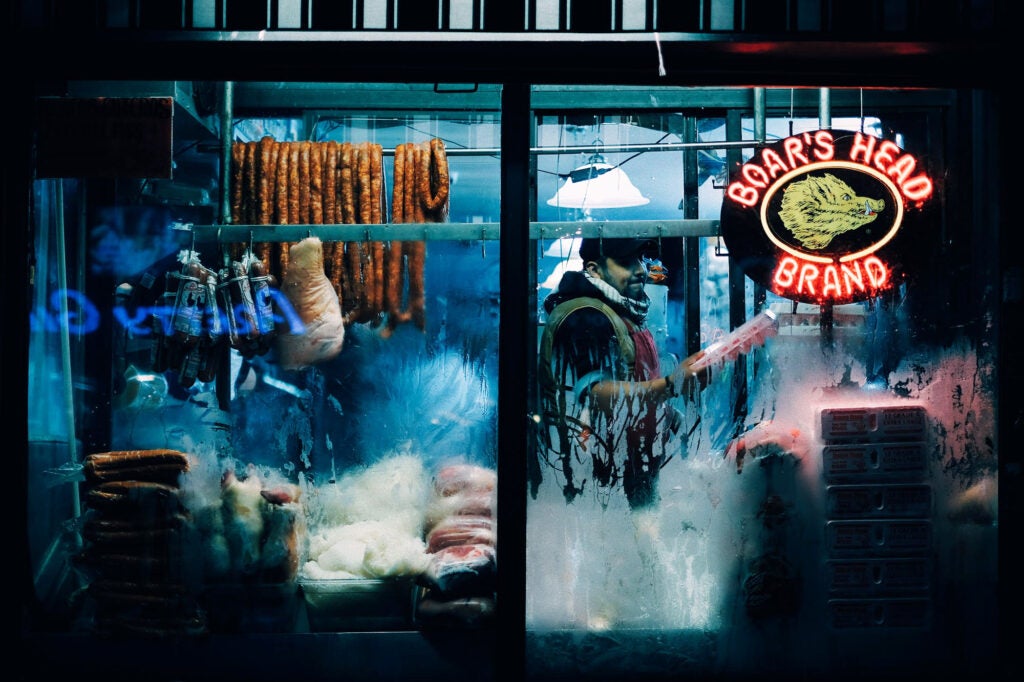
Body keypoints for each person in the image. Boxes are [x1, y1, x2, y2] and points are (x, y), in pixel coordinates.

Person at [537, 237, 709, 510]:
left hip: (627, 471)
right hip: (595, 487)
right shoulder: (584, 316)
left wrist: (670, 418)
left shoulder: (619, 313)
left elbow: (631, 387)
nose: (640, 270)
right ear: (594, 269)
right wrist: (671, 384)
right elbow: (593, 395)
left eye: (640, 260)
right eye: (626, 262)